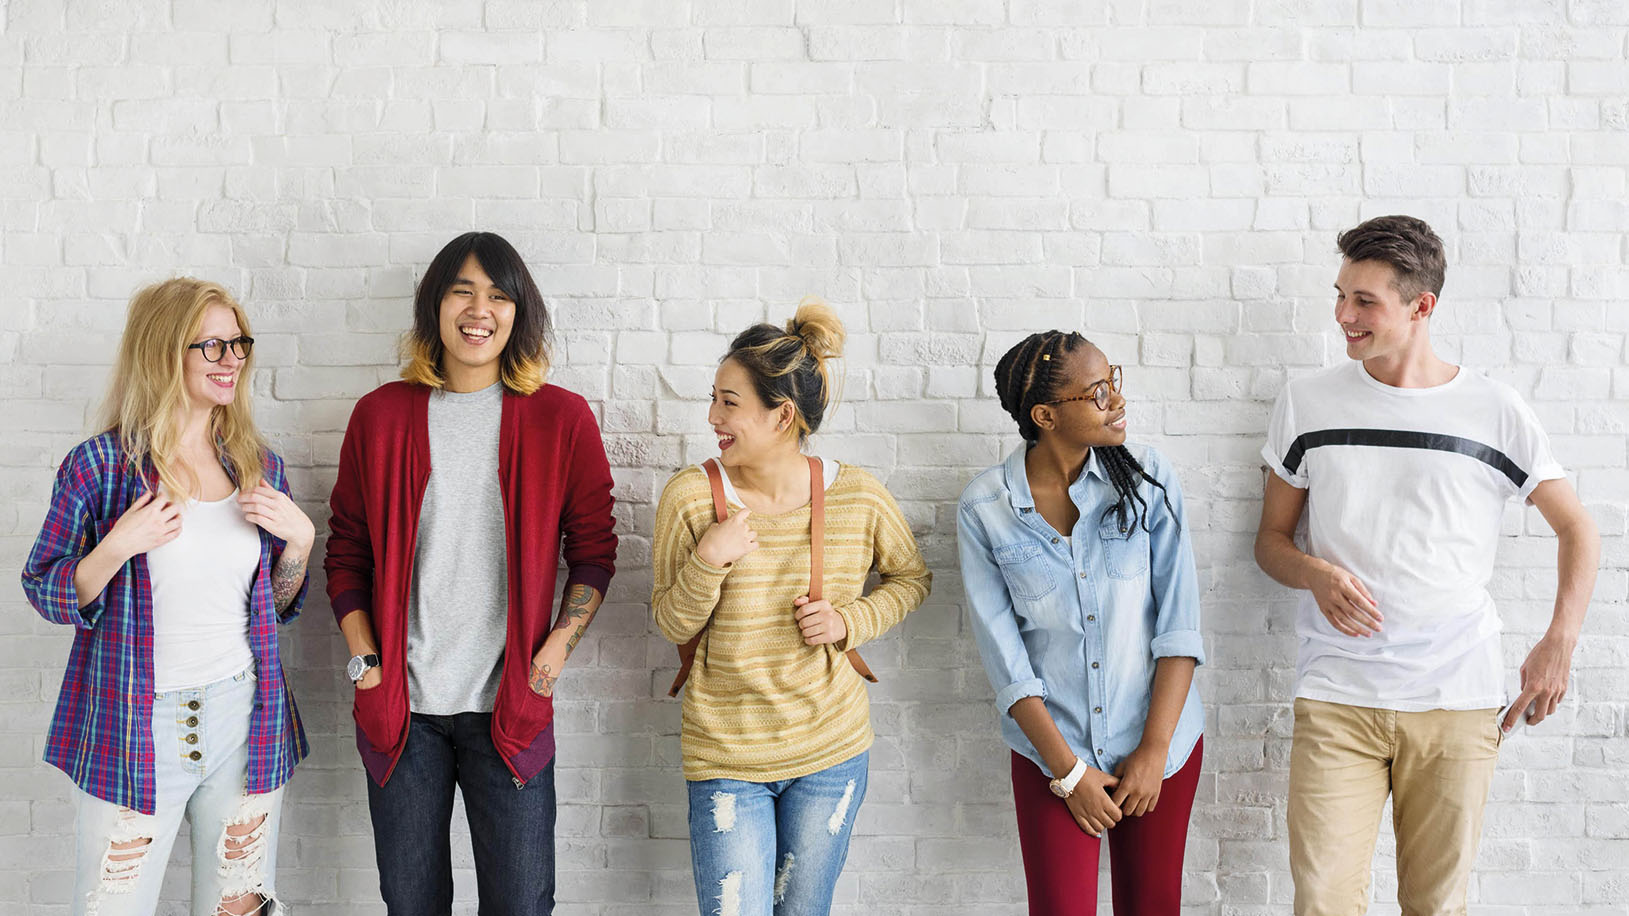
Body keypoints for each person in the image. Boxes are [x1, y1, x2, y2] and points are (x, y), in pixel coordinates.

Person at [1254, 215, 1600, 916]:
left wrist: (1557, 642)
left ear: (1421, 307)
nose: (1342, 316)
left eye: (1363, 301)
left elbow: (1576, 528)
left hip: (1456, 699)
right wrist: (1315, 573)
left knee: (1435, 906)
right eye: (1340, 294)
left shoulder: (1492, 411)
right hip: (1336, 697)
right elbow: (1270, 541)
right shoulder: (1306, 403)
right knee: (1320, 901)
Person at [324, 231, 618, 915]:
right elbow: (346, 554)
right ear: (434, 306)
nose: (478, 308)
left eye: (497, 293)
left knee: (521, 904)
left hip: (508, 712)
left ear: (519, 312)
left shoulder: (560, 418)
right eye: (461, 289)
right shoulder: (380, 416)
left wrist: (549, 656)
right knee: (411, 904)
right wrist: (366, 663)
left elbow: (596, 551)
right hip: (404, 714)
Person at [23, 278, 311, 915]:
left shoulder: (257, 465)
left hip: (244, 717)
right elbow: (43, 587)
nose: (232, 358)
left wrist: (298, 545)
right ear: (164, 352)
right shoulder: (100, 468)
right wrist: (117, 545)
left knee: (238, 910)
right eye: (211, 346)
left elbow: (281, 606)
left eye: (238, 343)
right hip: (134, 723)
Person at [651, 301, 931, 916]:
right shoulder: (692, 496)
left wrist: (849, 620)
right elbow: (671, 622)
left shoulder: (858, 494)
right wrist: (708, 562)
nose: (712, 416)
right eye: (713, 398)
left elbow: (911, 577)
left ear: (782, 415)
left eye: (729, 402)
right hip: (726, 757)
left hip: (831, 753)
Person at [957, 330, 1205, 915]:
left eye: (1113, 381)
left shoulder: (1149, 479)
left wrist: (1153, 750)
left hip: (1159, 747)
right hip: (1054, 755)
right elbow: (1006, 662)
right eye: (1097, 392)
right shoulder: (985, 508)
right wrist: (1069, 774)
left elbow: (1179, 628)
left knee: (1152, 907)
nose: (1116, 401)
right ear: (1045, 415)